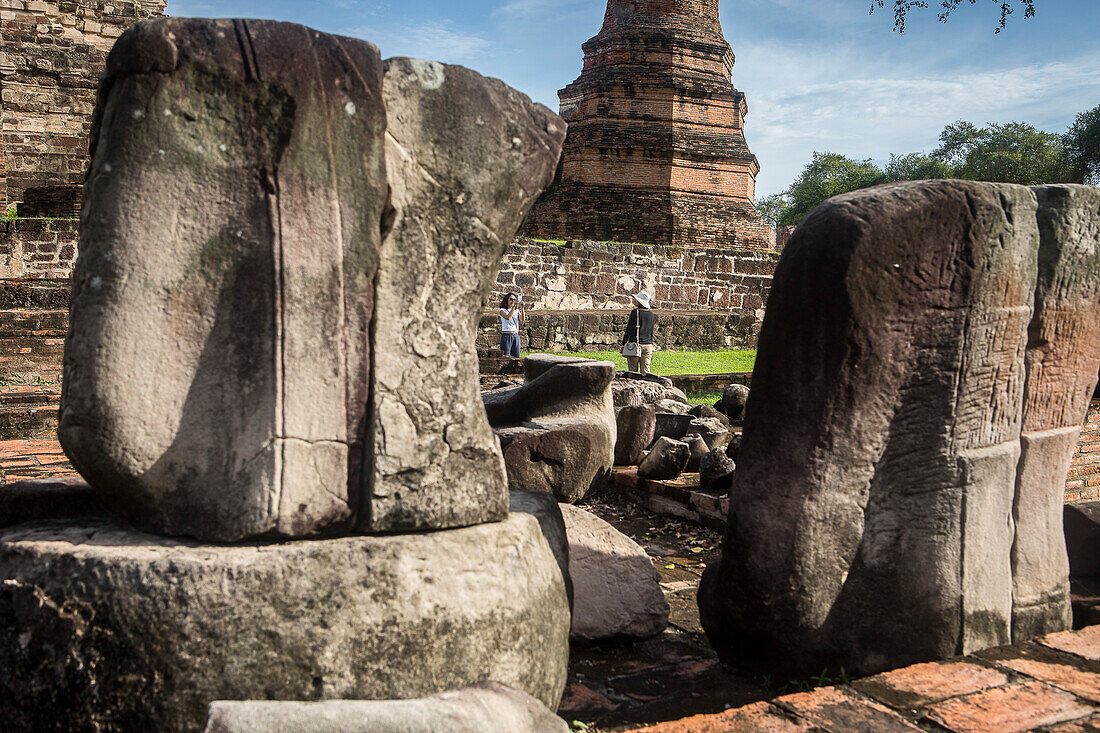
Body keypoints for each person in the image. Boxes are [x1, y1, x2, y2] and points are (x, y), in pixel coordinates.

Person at [622, 291, 655, 374]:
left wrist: (623, 343)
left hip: (635, 345)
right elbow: (651, 331)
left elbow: (629, 330)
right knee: (646, 372)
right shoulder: (651, 314)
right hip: (648, 345)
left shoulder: (635, 313)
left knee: (633, 371)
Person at [499, 292, 523, 357]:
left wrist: (522, 308)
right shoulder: (502, 310)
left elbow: (522, 319)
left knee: (516, 356)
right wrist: (513, 307)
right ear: (507, 300)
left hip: (515, 335)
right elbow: (508, 317)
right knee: (506, 356)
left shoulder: (516, 310)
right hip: (507, 335)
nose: (512, 301)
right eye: (511, 299)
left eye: (514, 300)